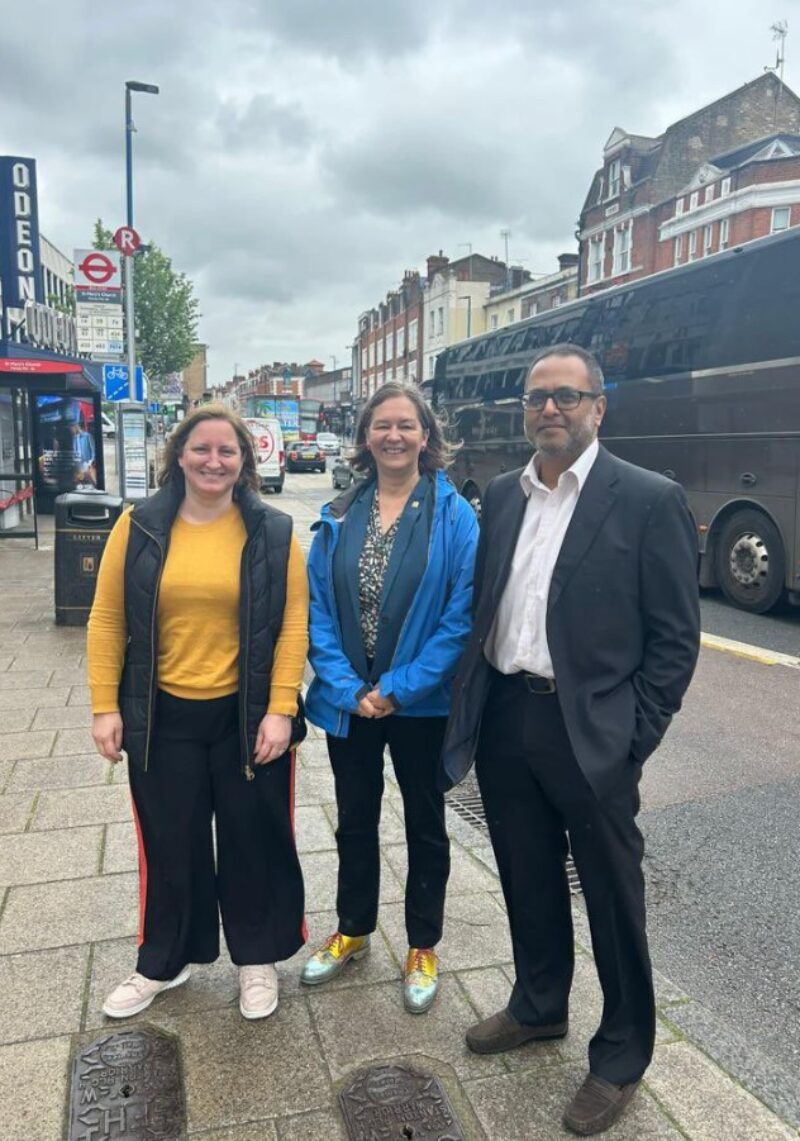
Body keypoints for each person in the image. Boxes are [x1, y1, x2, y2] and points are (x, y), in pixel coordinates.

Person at [441, 345, 700, 1135]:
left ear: (598, 407)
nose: (549, 409)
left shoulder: (648, 499)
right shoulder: (502, 496)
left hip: (590, 732)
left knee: (614, 901)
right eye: (536, 398)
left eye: (566, 396)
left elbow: (674, 641)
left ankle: (620, 1054)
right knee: (525, 874)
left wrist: (631, 737)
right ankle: (538, 1004)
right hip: (508, 718)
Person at [87, 405, 309, 1022]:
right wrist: (105, 705)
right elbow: (106, 619)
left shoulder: (272, 532)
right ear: (178, 454)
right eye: (202, 449)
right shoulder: (140, 526)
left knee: (251, 839)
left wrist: (281, 709)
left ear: (245, 462)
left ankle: (257, 959)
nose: (214, 461)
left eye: (227, 452)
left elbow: (293, 623)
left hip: (246, 720)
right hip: (163, 718)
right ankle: (165, 960)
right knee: (171, 841)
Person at [301, 382, 478, 1012]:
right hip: (350, 705)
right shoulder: (341, 513)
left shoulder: (455, 516)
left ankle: (423, 943)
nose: (394, 436)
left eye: (406, 425)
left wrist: (398, 690)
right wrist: (349, 690)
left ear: (426, 436)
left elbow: (461, 619)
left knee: (426, 826)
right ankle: (353, 929)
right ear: (366, 437)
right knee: (354, 820)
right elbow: (316, 608)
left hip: (420, 706)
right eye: (382, 426)